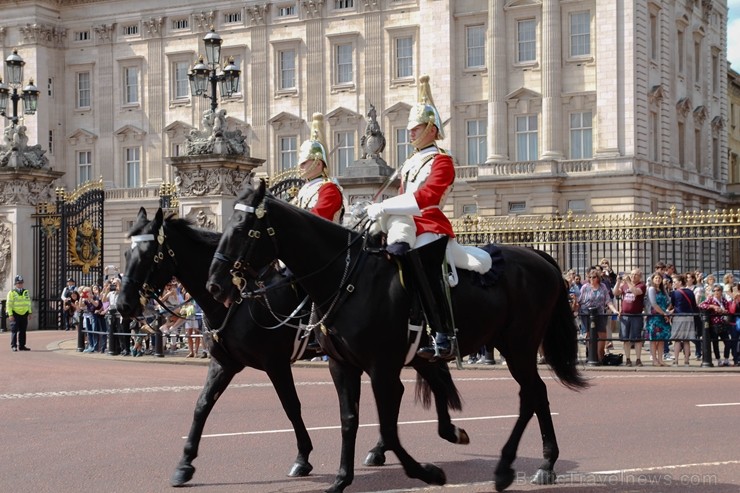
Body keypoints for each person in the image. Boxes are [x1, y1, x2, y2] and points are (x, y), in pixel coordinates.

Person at [366, 75, 490, 361]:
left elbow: (427, 198)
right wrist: (379, 209)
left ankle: (444, 333)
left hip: (430, 224)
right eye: (410, 128)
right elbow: (402, 195)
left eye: (417, 127)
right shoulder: (409, 162)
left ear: (432, 130)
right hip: (406, 224)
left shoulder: (442, 161)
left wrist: (385, 208)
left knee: (424, 264)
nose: (410, 133)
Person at [293, 113, 344, 223]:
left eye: (304, 162)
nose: (300, 166)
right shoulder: (305, 188)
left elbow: (316, 219)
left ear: (318, 164)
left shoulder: (329, 189)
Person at [578, 268, 617, 363]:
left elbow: (608, 301)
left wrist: (615, 310)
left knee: (602, 335)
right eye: (589, 277)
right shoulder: (585, 287)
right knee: (589, 334)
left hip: (599, 313)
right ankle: (591, 355)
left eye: (594, 277)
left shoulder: (603, 286)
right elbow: (580, 301)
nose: (591, 279)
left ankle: (600, 355)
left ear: (598, 278)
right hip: (587, 313)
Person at [613, 269, 646, 367]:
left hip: (636, 315)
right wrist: (618, 282)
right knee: (625, 338)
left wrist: (627, 281)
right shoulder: (624, 285)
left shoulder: (642, 285)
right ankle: (627, 359)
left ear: (640, 276)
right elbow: (615, 292)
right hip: (625, 315)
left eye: (636, 275)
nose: (633, 276)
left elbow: (635, 292)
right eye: (632, 274)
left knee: (637, 338)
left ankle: (638, 359)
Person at [699, 284, 732, 366]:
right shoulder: (710, 300)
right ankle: (718, 359)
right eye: (714, 291)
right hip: (714, 324)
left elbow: (729, 309)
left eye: (718, 290)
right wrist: (712, 306)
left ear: (721, 291)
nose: (716, 292)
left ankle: (726, 359)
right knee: (715, 343)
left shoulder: (724, 301)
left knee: (728, 342)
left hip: (723, 323)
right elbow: (701, 305)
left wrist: (725, 311)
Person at [669, 274, 698, 366]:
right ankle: (686, 361)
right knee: (686, 340)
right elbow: (694, 305)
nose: (673, 284)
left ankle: (676, 361)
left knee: (677, 340)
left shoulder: (675, 293)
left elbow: (673, 305)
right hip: (689, 317)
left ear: (680, 282)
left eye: (674, 282)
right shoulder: (690, 292)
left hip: (678, 316)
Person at [645, 273, 672, 366]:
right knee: (653, 340)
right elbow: (653, 304)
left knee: (661, 340)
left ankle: (660, 360)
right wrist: (663, 313)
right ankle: (654, 360)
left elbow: (669, 301)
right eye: (656, 278)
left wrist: (667, 311)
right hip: (654, 317)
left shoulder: (662, 290)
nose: (658, 280)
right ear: (652, 279)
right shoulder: (651, 289)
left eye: (659, 278)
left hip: (663, 317)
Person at [6, 275, 32, 351]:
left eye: (21, 283)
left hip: (24, 313)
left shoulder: (26, 292)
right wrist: (10, 314)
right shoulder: (12, 292)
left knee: (23, 330)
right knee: (14, 330)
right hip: (15, 314)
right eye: (19, 283)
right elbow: (9, 304)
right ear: (15, 284)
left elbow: (28, 303)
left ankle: (22, 345)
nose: (20, 284)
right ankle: (14, 345)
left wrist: (29, 313)